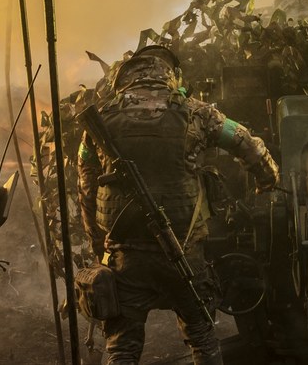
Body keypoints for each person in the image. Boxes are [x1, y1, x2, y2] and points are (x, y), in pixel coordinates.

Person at [77, 44, 280, 365]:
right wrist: (267, 180)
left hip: (125, 254)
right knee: (201, 335)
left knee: (122, 345)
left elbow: (86, 187)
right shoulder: (198, 112)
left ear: (124, 79)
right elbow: (246, 142)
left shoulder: (100, 121)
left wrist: (100, 244)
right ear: (169, 77)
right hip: (184, 252)